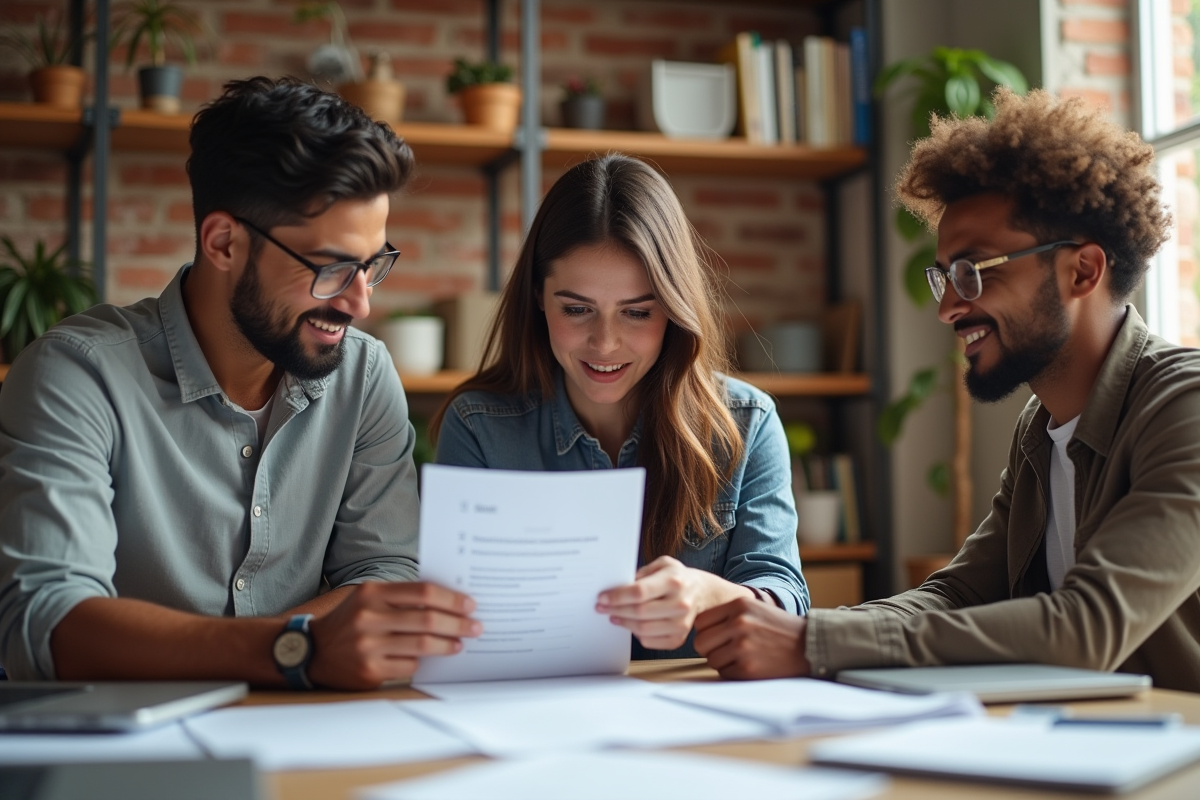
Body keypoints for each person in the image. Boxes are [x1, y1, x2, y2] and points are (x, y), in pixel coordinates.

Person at [691, 88, 1200, 693]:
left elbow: (1088, 626)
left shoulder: (1184, 406)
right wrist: (787, 628)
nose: (949, 308)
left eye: (974, 271)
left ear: (1083, 271)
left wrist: (812, 644)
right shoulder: (1041, 429)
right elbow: (956, 594)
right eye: (945, 277)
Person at [0, 77, 480, 688]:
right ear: (223, 243)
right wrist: (292, 651)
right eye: (331, 268)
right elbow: (44, 622)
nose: (359, 303)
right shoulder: (77, 375)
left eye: (370, 265)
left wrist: (294, 648)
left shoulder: (363, 374)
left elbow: (384, 570)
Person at [432, 154, 808, 659]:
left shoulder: (746, 424)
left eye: (636, 312)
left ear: (674, 310)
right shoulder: (479, 427)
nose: (605, 343)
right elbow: (454, 622)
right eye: (577, 309)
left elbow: (787, 604)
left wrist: (710, 595)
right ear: (538, 298)